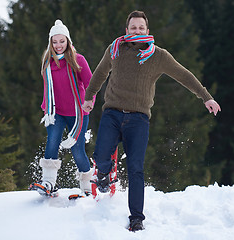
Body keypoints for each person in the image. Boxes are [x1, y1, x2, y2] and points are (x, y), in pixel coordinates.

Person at [82, 10, 221, 231]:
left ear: (148, 31)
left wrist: (206, 97)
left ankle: (136, 218)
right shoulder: (115, 49)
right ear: (127, 30)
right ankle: (106, 173)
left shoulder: (158, 56)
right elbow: (99, 74)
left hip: (138, 119)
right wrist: (89, 97)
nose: (137, 31)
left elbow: (184, 75)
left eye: (141, 28)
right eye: (133, 28)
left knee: (136, 168)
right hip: (112, 113)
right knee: (100, 156)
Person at [30, 20, 95, 197]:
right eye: (55, 42)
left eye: (62, 41)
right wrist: (46, 109)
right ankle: (48, 183)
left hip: (78, 113)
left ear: (68, 41)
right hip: (56, 113)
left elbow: (91, 83)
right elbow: (47, 88)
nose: (58, 45)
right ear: (50, 42)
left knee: (77, 150)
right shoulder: (47, 62)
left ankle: (87, 188)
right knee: (52, 142)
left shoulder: (77, 59)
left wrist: (89, 101)